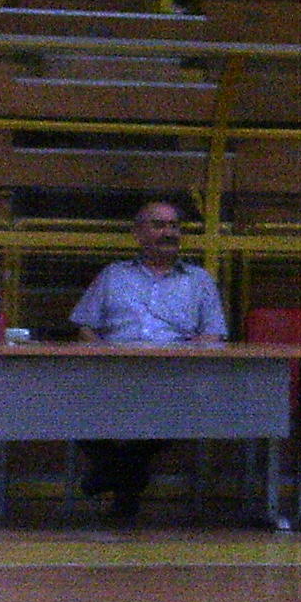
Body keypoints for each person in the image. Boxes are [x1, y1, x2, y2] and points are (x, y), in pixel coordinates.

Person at [71, 196, 228, 521]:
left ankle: (115, 477)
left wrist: (183, 357)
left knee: (173, 410)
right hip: (114, 374)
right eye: (158, 225)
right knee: (66, 404)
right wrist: (104, 356)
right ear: (138, 233)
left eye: (174, 226)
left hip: (175, 377)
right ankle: (128, 478)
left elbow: (214, 334)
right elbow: (85, 326)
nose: (169, 233)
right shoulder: (113, 275)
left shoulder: (199, 280)